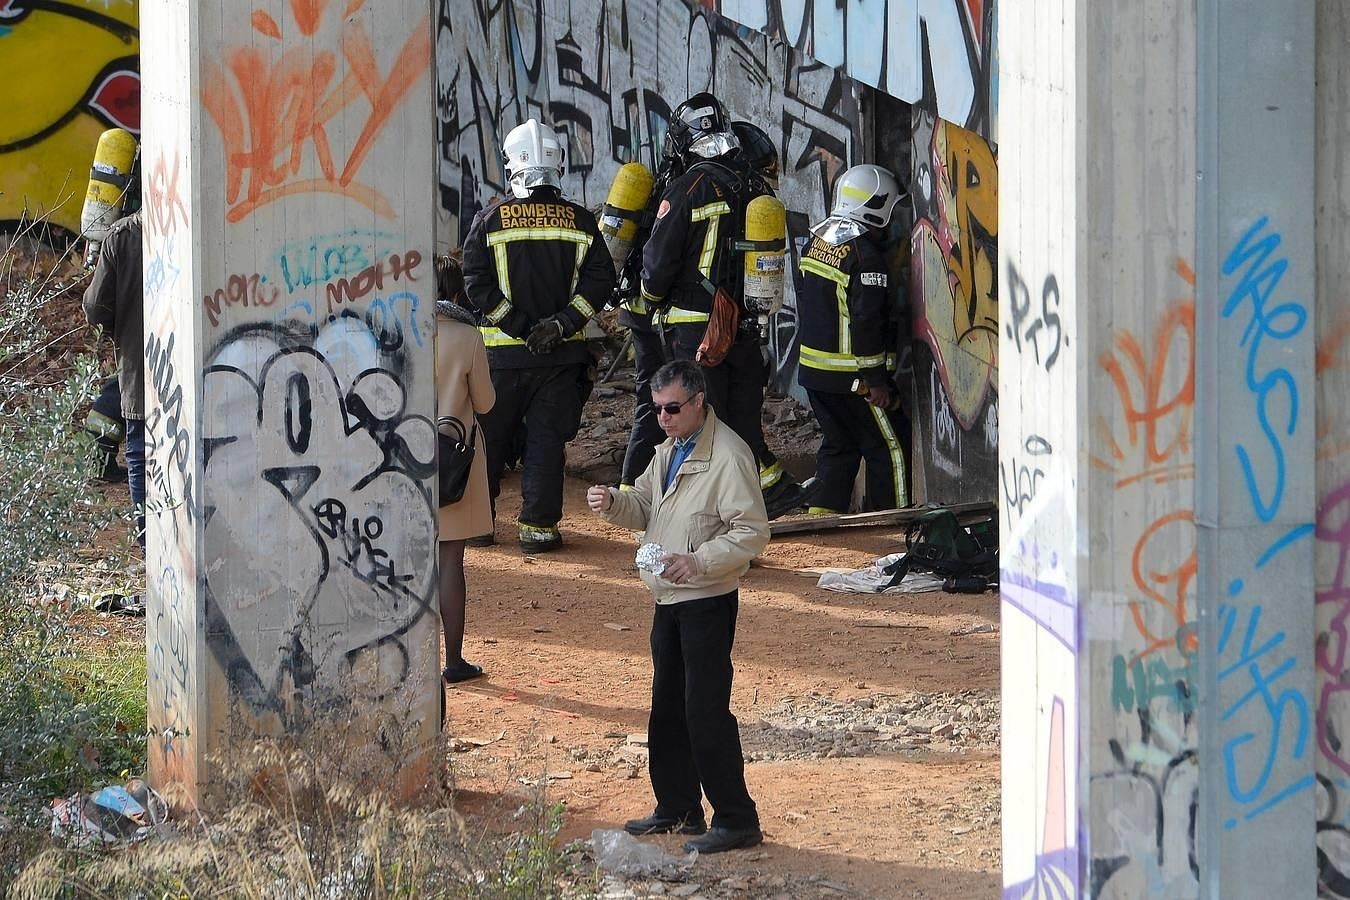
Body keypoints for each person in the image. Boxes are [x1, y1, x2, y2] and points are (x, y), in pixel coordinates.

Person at [586, 359, 768, 855]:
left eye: (671, 408)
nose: (662, 417)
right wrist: (614, 502)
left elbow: (753, 532)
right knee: (667, 707)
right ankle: (678, 807)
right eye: (656, 408)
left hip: (706, 599)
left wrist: (700, 560)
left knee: (705, 710)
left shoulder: (728, 456)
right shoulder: (669, 449)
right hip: (669, 596)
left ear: (698, 402)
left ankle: (735, 817)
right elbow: (645, 505)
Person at [639, 93, 803, 519]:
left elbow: (658, 263)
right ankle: (768, 491)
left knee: (701, 424)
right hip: (745, 325)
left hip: (696, 330)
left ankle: (706, 510)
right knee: (742, 419)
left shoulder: (688, 187)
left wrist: (650, 301)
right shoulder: (752, 183)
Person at [463, 118, 615, 554]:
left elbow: (476, 285)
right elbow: (600, 283)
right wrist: (561, 325)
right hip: (561, 359)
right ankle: (539, 530)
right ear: (557, 165)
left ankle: (478, 527)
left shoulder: (490, 219)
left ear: (512, 166)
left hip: (502, 362)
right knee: (547, 443)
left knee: (488, 442)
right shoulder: (582, 221)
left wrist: (521, 328)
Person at [797, 164, 910, 513]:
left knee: (840, 445)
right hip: (854, 380)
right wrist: (876, 381)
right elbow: (866, 323)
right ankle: (891, 523)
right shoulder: (866, 258)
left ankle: (822, 520)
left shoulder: (817, 242)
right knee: (889, 448)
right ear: (876, 209)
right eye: (890, 212)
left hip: (814, 375)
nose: (893, 223)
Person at [434, 254, 495, 684]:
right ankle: (453, 660)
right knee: (450, 559)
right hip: (451, 460)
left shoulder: (394, 328)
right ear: (458, 291)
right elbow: (487, 402)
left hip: (396, 461)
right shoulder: (466, 336)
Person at [82, 210, 144, 547]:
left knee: (139, 449)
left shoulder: (122, 236)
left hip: (138, 368)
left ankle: (150, 539)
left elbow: (96, 308)